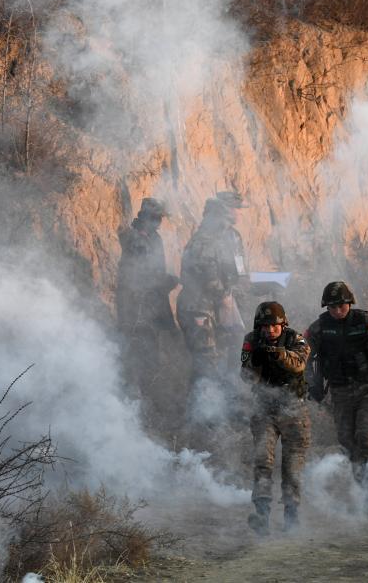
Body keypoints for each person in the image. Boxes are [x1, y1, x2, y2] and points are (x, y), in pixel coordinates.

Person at [305, 281, 368, 511]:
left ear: (350, 303)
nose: (337, 311)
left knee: (366, 437)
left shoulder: (365, 324)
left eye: (342, 306)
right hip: (339, 392)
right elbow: (303, 356)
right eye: (332, 307)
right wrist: (312, 385)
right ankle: (363, 488)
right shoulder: (319, 328)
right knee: (347, 442)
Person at [241, 301, 311, 535]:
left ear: (283, 325)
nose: (270, 330)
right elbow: (246, 376)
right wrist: (256, 362)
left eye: (274, 326)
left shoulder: (295, 339)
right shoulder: (251, 340)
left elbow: (299, 365)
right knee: (263, 462)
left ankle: (292, 514)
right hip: (264, 409)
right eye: (265, 326)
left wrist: (278, 354)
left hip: (293, 410)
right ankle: (261, 514)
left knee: (292, 465)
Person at [176, 191, 249, 385]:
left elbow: (240, 270)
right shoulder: (204, 239)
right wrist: (226, 295)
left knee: (231, 351)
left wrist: (244, 286)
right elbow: (207, 279)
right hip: (199, 308)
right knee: (206, 365)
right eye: (236, 208)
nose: (240, 213)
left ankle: (227, 396)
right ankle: (202, 403)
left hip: (221, 305)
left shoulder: (233, 237)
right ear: (225, 210)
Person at [116, 198, 178, 394]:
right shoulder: (134, 238)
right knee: (136, 347)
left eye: (160, 218)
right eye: (156, 218)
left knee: (151, 349)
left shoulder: (155, 238)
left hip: (152, 303)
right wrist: (165, 281)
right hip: (135, 304)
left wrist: (166, 282)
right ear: (146, 218)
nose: (159, 222)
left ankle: (148, 392)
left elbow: (156, 273)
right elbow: (140, 274)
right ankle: (132, 392)